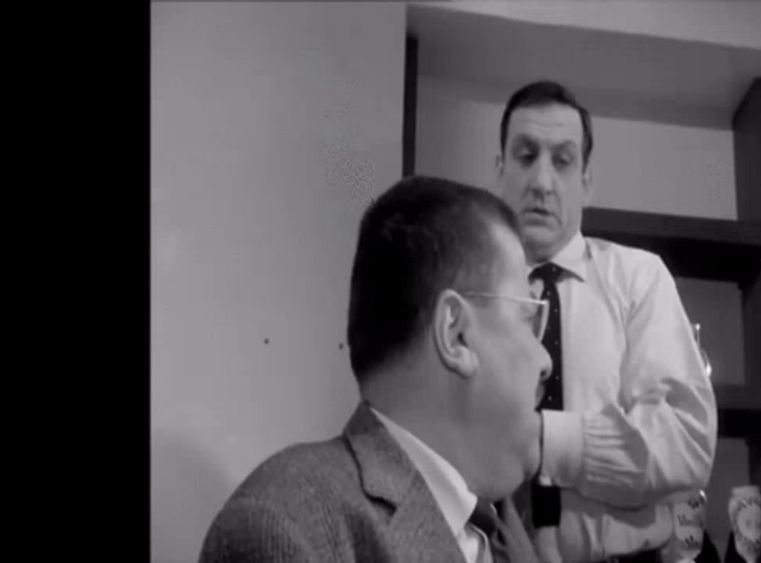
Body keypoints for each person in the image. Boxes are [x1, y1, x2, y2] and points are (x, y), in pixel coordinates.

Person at [198, 176, 551, 563]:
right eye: (527, 316)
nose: (545, 361)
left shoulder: (503, 527)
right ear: (456, 334)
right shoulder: (284, 527)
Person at [494, 80, 718, 563]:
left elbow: (688, 444)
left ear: (586, 182)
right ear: (500, 170)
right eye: (526, 156)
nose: (542, 182)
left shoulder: (640, 278)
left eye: (563, 161)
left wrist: (545, 439)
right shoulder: (472, 294)